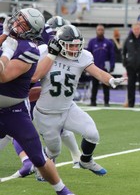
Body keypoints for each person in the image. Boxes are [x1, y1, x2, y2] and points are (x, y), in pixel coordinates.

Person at [0, 8, 78, 195]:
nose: (16, 25)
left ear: (31, 30)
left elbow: (3, 76)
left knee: (38, 157)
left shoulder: (29, 49)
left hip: (13, 111)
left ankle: (62, 191)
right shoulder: (7, 38)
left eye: (23, 24)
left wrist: (7, 51)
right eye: (18, 20)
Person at [31, 24, 125, 177]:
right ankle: (41, 166)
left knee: (92, 134)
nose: (75, 50)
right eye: (71, 46)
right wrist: (51, 55)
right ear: (59, 44)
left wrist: (111, 80)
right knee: (55, 150)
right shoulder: (44, 53)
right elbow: (34, 76)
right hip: (46, 113)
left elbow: (98, 72)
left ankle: (86, 160)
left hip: (68, 108)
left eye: (77, 46)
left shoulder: (83, 56)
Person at [87, 24, 115, 107]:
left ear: (104, 31)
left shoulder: (108, 43)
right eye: (99, 30)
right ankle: (93, 102)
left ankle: (106, 102)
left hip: (104, 68)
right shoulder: (92, 42)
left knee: (106, 85)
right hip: (94, 68)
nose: (100, 31)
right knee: (94, 86)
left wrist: (112, 65)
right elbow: (88, 55)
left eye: (102, 30)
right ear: (96, 31)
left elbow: (112, 55)